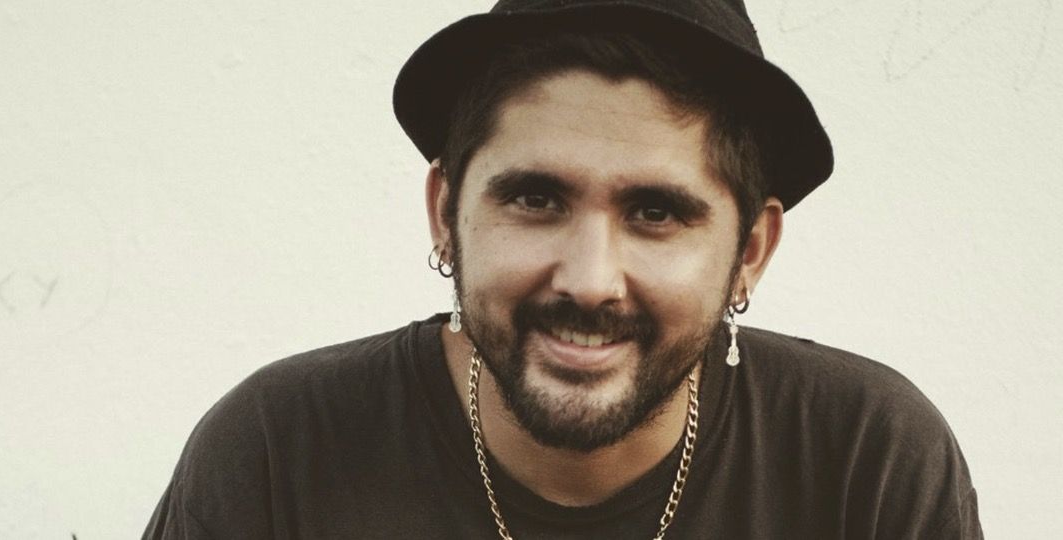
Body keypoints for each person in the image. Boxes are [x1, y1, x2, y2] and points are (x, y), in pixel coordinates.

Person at [144, 1, 982, 538]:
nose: (589, 280)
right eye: (536, 199)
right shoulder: (280, 451)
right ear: (445, 212)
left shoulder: (866, 459)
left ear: (749, 252)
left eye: (656, 212)